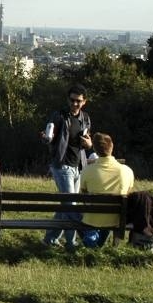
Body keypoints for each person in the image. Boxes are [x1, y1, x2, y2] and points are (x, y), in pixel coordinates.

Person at [40, 83, 93, 249]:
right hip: (62, 165)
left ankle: (50, 239)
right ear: (67, 99)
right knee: (71, 205)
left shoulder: (85, 118)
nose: (74, 103)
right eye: (72, 100)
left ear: (84, 102)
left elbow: (88, 141)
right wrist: (46, 138)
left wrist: (89, 144)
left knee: (66, 205)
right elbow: (49, 136)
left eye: (78, 101)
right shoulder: (59, 116)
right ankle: (72, 242)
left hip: (78, 166)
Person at [79, 133, 134, 248]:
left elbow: (82, 194)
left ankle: (92, 244)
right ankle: (98, 245)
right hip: (116, 219)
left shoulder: (87, 171)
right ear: (112, 147)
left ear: (95, 149)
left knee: (72, 213)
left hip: (92, 219)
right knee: (108, 214)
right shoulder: (127, 171)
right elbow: (129, 192)